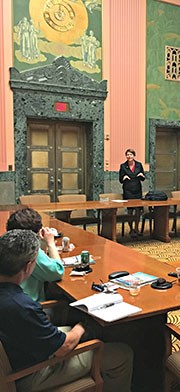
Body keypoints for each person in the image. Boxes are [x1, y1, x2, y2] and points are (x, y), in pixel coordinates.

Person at [0, 229, 133, 391]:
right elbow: (64, 347)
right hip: (29, 374)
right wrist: (83, 325)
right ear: (29, 266)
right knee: (122, 354)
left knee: (74, 331)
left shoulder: (14, 300)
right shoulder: (22, 306)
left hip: (17, 350)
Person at [6, 207, 64, 302]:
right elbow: (57, 272)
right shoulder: (30, 250)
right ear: (37, 232)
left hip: (11, 303)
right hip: (30, 306)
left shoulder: (6, 244)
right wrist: (50, 243)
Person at [119, 148, 146, 237]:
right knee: (130, 211)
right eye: (127, 155)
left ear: (134, 156)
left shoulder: (139, 165)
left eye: (131, 154)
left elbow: (143, 178)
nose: (129, 156)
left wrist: (142, 176)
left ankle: (137, 228)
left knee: (138, 211)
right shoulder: (123, 166)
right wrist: (124, 177)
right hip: (128, 191)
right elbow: (120, 179)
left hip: (137, 190)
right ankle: (131, 229)